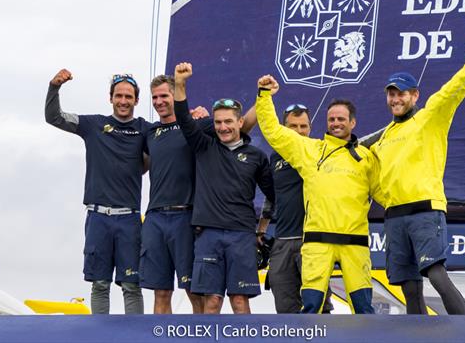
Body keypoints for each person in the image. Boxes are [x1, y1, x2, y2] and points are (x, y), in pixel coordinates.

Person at [370, 43, 465, 315]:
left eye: (401, 93)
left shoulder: (429, 118)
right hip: (394, 216)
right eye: (391, 94)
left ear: (414, 96)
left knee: (436, 275)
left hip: (425, 211)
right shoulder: (383, 137)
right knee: (409, 288)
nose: (395, 99)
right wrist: (387, 199)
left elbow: (451, 92)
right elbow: (376, 179)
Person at [256, 75, 377, 314]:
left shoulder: (366, 156)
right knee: (309, 309)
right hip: (314, 242)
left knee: (363, 309)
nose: (335, 123)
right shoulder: (310, 151)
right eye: (331, 119)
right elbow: (272, 130)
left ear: (352, 122)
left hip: (355, 243)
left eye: (341, 119)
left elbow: (385, 190)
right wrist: (264, 95)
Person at [172, 62, 275, 314]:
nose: (223, 127)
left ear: (240, 122)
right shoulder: (204, 146)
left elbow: (274, 197)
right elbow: (185, 120)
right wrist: (180, 84)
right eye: (218, 122)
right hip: (208, 235)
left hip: (241, 235)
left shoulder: (256, 156)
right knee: (212, 302)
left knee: (240, 301)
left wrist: (261, 230)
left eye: (228, 121)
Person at [45, 69, 148, 314]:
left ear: (136, 100)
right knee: (100, 284)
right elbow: (54, 117)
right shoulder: (93, 124)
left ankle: (135, 337)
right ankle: (100, 336)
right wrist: (54, 87)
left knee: (132, 285)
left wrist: (195, 117)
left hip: (130, 219)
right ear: (110, 98)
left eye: (128, 96)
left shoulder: (145, 130)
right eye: (119, 95)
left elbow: (173, 139)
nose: (123, 101)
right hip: (98, 217)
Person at [256, 103, 333, 314]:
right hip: (282, 243)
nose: (299, 132)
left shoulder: (323, 151)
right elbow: (272, 197)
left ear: (310, 127)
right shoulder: (275, 158)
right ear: (282, 127)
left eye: (303, 126)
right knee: (285, 308)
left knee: (319, 309)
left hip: (314, 242)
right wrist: (261, 230)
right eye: (292, 126)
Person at [141, 75, 206, 314]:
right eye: (155, 97)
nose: (159, 101)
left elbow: (239, 127)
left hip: (185, 216)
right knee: (161, 292)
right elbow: (136, 166)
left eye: (164, 96)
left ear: (174, 95)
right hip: (155, 217)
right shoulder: (149, 132)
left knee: (195, 290)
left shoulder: (194, 126)